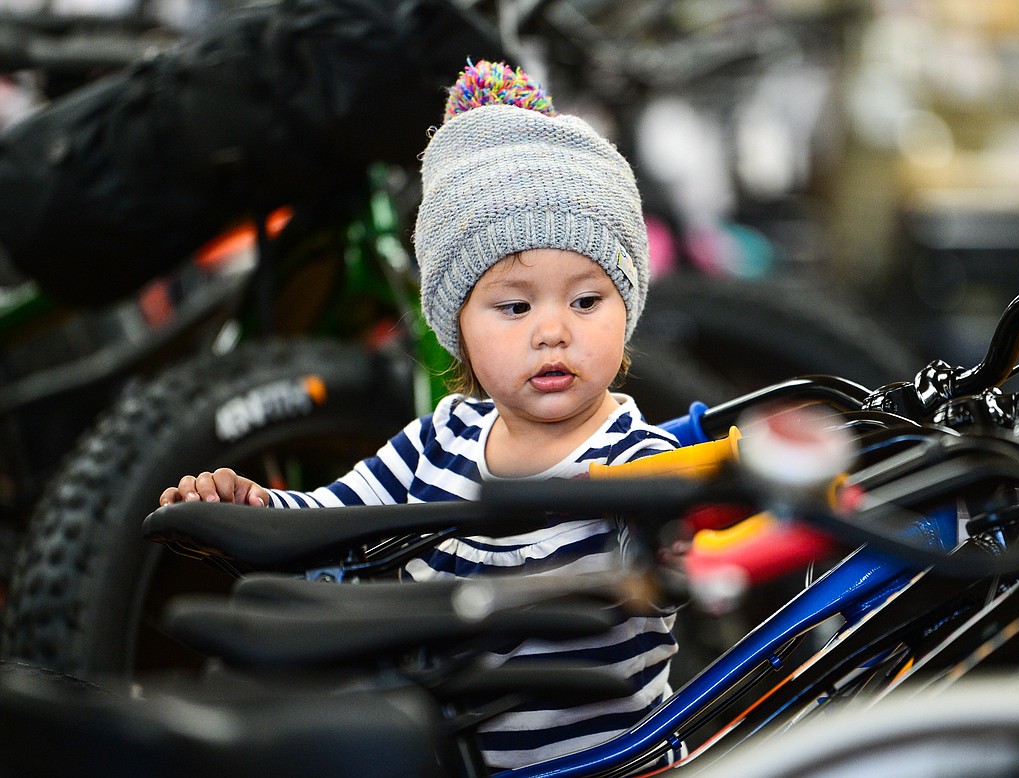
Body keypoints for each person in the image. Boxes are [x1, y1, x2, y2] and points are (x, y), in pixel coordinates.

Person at [159, 59, 680, 770]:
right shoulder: (437, 442)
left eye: (587, 300)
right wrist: (254, 505)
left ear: (628, 306)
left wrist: (682, 544)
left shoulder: (636, 460)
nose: (553, 331)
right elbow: (332, 525)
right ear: (456, 323)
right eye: (515, 305)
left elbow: (679, 550)